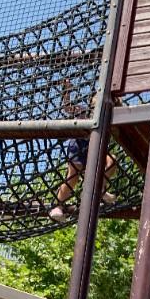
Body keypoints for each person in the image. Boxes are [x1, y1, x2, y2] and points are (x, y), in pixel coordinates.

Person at [49, 80, 116, 223]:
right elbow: (67, 108)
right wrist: (66, 91)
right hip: (79, 145)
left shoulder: (109, 117)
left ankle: (98, 188)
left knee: (111, 161)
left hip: (96, 147)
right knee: (73, 177)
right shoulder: (84, 112)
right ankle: (57, 206)